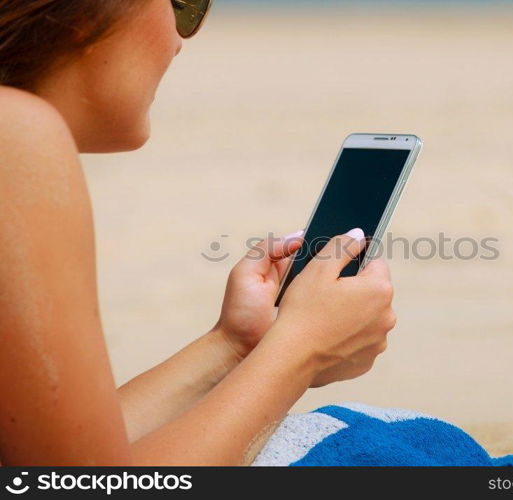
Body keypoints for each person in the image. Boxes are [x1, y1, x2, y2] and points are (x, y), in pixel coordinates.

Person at [0, 0, 396, 465]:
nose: (181, 40)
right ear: (87, 13)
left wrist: (233, 345)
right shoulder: (15, 134)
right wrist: (303, 348)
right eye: (183, 5)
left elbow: (58, 463)